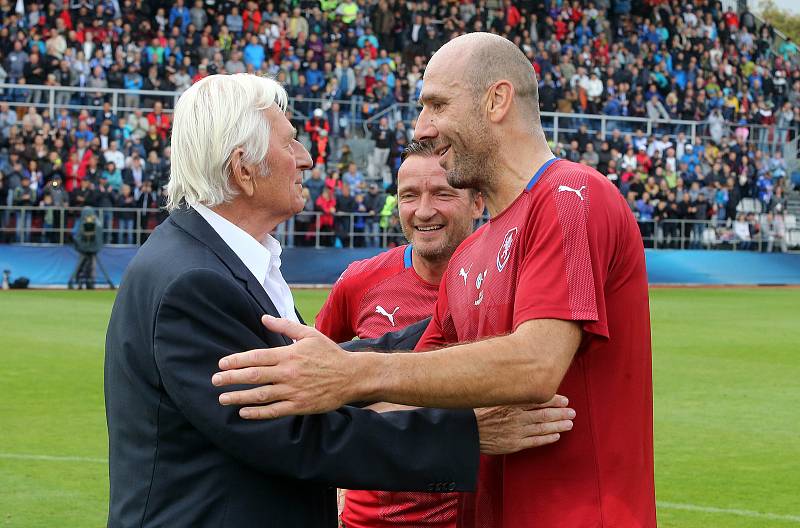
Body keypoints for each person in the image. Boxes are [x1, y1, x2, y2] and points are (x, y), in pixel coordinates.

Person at [214, 34, 655, 528]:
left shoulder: (569, 195)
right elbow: (416, 378)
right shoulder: (470, 254)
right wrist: (289, 388)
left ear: (496, 100)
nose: (423, 127)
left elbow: (536, 364)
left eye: (437, 104)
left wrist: (350, 373)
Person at [105, 73, 567, 527]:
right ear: (243, 169)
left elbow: (311, 368)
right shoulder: (193, 282)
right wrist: (467, 433)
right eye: (289, 143)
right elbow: (291, 433)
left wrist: (446, 328)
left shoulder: (218, 260)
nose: (305, 158)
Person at [318, 140, 574, 527]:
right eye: (409, 195)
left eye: (442, 193)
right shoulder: (359, 282)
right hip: (369, 521)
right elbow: (318, 387)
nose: (424, 210)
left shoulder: (516, 284)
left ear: (477, 203)